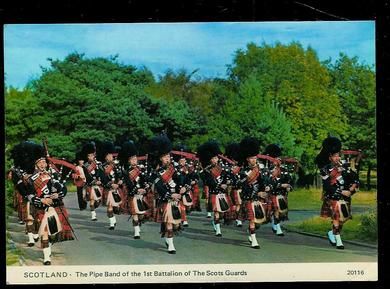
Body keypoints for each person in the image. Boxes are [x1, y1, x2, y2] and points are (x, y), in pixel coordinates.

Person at [25, 142, 74, 265]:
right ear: (36, 164)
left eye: (44, 162)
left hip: (56, 206)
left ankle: (50, 244)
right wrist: (41, 200)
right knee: (45, 231)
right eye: (40, 162)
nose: (42, 164)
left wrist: (58, 194)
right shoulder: (31, 179)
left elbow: (63, 188)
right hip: (41, 208)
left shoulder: (53, 175)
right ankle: (47, 258)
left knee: (55, 231)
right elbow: (30, 196)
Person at [315, 136, 359, 249]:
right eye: (334, 156)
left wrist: (350, 190)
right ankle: (338, 239)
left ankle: (332, 233)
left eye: (338, 155)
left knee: (343, 219)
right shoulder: (325, 169)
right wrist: (341, 191)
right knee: (336, 217)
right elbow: (327, 186)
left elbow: (354, 179)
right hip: (333, 196)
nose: (337, 157)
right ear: (329, 157)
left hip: (346, 196)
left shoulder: (345, 166)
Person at [149, 134, 185, 254]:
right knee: (169, 223)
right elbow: (159, 188)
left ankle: (167, 238)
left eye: (168, 156)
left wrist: (184, 188)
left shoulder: (174, 169)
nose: (168, 158)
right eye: (165, 157)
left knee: (175, 225)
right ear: (160, 158)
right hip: (165, 200)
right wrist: (170, 195)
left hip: (177, 200)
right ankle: (171, 245)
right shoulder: (156, 173)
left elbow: (181, 181)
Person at [237, 137, 271, 249]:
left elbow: (267, 182)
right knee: (252, 220)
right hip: (249, 197)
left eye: (255, 158)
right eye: (251, 158)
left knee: (259, 222)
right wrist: (257, 194)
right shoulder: (243, 172)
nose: (254, 160)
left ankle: (251, 231)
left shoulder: (261, 169)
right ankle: (254, 241)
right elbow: (244, 186)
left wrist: (267, 188)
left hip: (260, 199)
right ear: (247, 159)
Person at [197, 140, 233, 237]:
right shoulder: (207, 170)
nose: (214, 160)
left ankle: (215, 222)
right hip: (214, 192)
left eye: (216, 158)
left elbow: (229, 177)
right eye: (213, 158)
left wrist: (228, 182)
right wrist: (219, 185)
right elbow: (208, 182)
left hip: (223, 192)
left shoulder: (223, 168)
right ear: (210, 159)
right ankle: (218, 230)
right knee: (216, 211)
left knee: (222, 213)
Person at [119, 140, 150, 239]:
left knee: (141, 215)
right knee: (134, 213)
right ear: (128, 160)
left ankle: (139, 223)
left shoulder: (141, 170)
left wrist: (145, 188)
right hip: (132, 194)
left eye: (135, 159)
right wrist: (136, 189)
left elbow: (145, 180)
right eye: (132, 159)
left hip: (142, 194)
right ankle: (136, 231)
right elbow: (128, 183)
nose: (134, 161)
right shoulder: (126, 172)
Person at [264, 144, 293, 236]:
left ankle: (275, 223)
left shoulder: (284, 169)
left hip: (282, 193)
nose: (277, 160)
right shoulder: (267, 170)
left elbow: (289, 180)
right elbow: (268, 182)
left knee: (280, 211)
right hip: (273, 192)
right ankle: (277, 226)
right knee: (276, 209)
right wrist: (281, 185)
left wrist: (289, 186)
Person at [96, 141, 123, 230]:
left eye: (111, 155)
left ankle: (113, 217)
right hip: (108, 189)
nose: (110, 157)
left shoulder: (117, 165)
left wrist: (120, 182)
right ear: (105, 157)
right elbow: (103, 179)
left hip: (117, 189)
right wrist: (111, 184)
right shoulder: (101, 167)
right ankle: (112, 223)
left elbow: (120, 175)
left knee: (117, 208)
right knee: (109, 207)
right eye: (108, 155)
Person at [81, 142, 103, 221]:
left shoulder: (99, 164)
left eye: (92, 155)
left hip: (98, 185)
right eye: (89, 156)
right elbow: (86, 176)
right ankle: (93, 216)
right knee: (92, 201)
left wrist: (100, 180)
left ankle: (95, 207)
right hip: (90, 185)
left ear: (94, 156)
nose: (90, 157)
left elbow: (102, 173)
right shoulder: (85, 166)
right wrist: (92, 181)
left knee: (98, 201)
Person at [224, 142, 242, 227]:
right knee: (231, 204)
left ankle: (238, 218)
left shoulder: (241, 166)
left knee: (239, 204)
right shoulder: (227, 166)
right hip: (230, 187)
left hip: (239, 188)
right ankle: (229, 217)